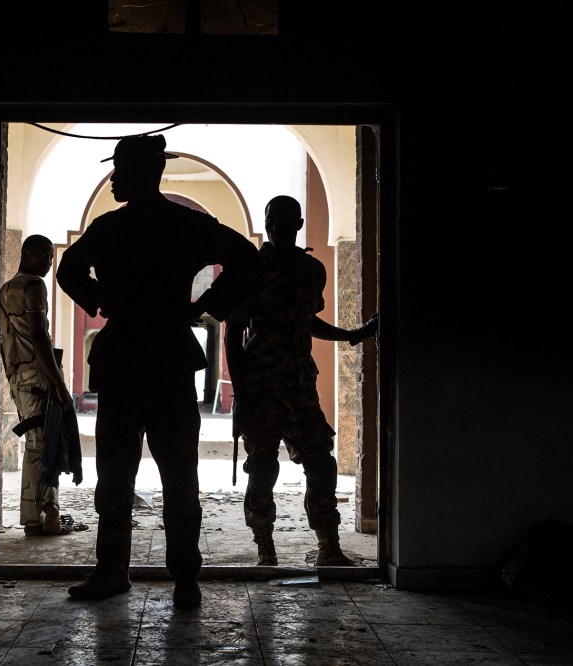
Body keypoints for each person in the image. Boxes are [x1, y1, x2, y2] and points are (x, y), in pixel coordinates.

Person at [56, 134, 263, 609]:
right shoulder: (187, 226)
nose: (113, 180)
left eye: (120, 170)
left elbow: (68, 269)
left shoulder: (109, 229)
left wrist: (100, 300)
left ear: (142, 172)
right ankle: (185, 578)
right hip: (169, 355)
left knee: (115, 478)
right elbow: (247, 261)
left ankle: (112, 571)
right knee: (178, 476)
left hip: (124, 356)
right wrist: (206, 306)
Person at [224, 194, 379, 567]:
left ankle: (329, 545)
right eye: (271, 218)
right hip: (262, 387)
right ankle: (265, 545)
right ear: (266, 224)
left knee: (322, 464)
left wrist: (349, 335)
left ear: (297, 224)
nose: (277, 225)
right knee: (263, 466)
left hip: (300, 384)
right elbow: (233, 333)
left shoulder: (311, 271)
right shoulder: (252, 269)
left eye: (285, 218)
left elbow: (307, 320)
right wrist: (241, 394)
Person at [0, 234, 80, 537]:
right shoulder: (34, 286)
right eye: (42, 255)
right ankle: (41, 514)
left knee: (38, 443)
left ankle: (43, 511)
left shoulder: (7, 288)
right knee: (43, 445)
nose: (48, 261)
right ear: (26, 254)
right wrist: (58, 383)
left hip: (19, 375)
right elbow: (38, 336)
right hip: (38, 374)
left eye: (50, 256)